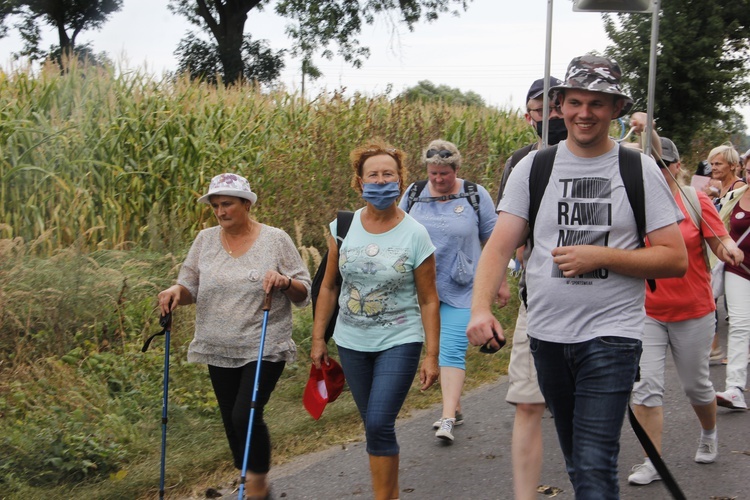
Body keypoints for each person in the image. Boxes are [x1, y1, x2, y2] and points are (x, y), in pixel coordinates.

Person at [466, 54, 688, 499]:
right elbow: (499, 245)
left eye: (597, 103)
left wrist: (600, 256)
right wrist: (480, 307)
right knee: (576, 460)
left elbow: (674, 258)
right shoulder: (535, 168)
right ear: (561, 105)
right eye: (575, 101)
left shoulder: (638, 169)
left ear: (616, 109)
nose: (584, 113)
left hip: (612, 336)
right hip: (548, 336)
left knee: (593, 463)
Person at [157, 173, 311, 500]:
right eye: (215, 206)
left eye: (227, 204)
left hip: (263, 344)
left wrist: (284, 282)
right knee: (231, 421)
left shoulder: (275, 239)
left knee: (246, 414)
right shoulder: (205, 240)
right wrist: (174, 292)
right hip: (218, 345)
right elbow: (190, 288)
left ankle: (256, 486)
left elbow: (303, 293)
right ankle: (249, 480)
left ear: (246, 204)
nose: (220, 211)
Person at [310, 139, 440, 500]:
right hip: (351, 341)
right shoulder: (343, 226)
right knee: (373, 427)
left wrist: (432, 355)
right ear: (359, 181)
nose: (381, 182)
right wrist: (318, 338)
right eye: (373, 175)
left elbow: (429, 299)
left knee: (380, 422)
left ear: (400, 180)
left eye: (389, 174)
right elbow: (330, 287)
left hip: (399, 339)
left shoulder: (416, 234)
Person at [627, 138, 744, 486]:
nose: (658, 172)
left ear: (677, 166)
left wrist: (729, 250)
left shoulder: (695, 200)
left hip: (693, 310)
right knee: (646, 387)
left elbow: (720, 239)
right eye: (651, 165)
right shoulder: (632, 204)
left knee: (697, 387)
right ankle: (653, 461)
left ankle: (709, 431)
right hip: (646, 311)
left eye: (665, 165)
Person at [397, 139, 497, 442]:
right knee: (431, 349)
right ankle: (455, 404)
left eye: (445, 173)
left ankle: (447, 417)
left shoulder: (474, 195)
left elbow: (494, 239)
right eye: (433, 174)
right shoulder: (413, 194)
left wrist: (500, 282)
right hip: (421, 290)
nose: (439, 180)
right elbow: (397, 230)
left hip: (462, 287)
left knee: (451, 349)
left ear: (456, 168)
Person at [714, 164, 750, 410]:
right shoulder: (736, 195)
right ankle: (735, 388)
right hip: (739, 268)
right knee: (739, 325)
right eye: (749, 168)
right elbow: (721, 228)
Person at [708, 143, 746, 211]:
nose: (713, 168)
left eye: (718, 164)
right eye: (712, 164)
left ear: (732, 166)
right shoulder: (720, 187)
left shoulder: (738, 187)